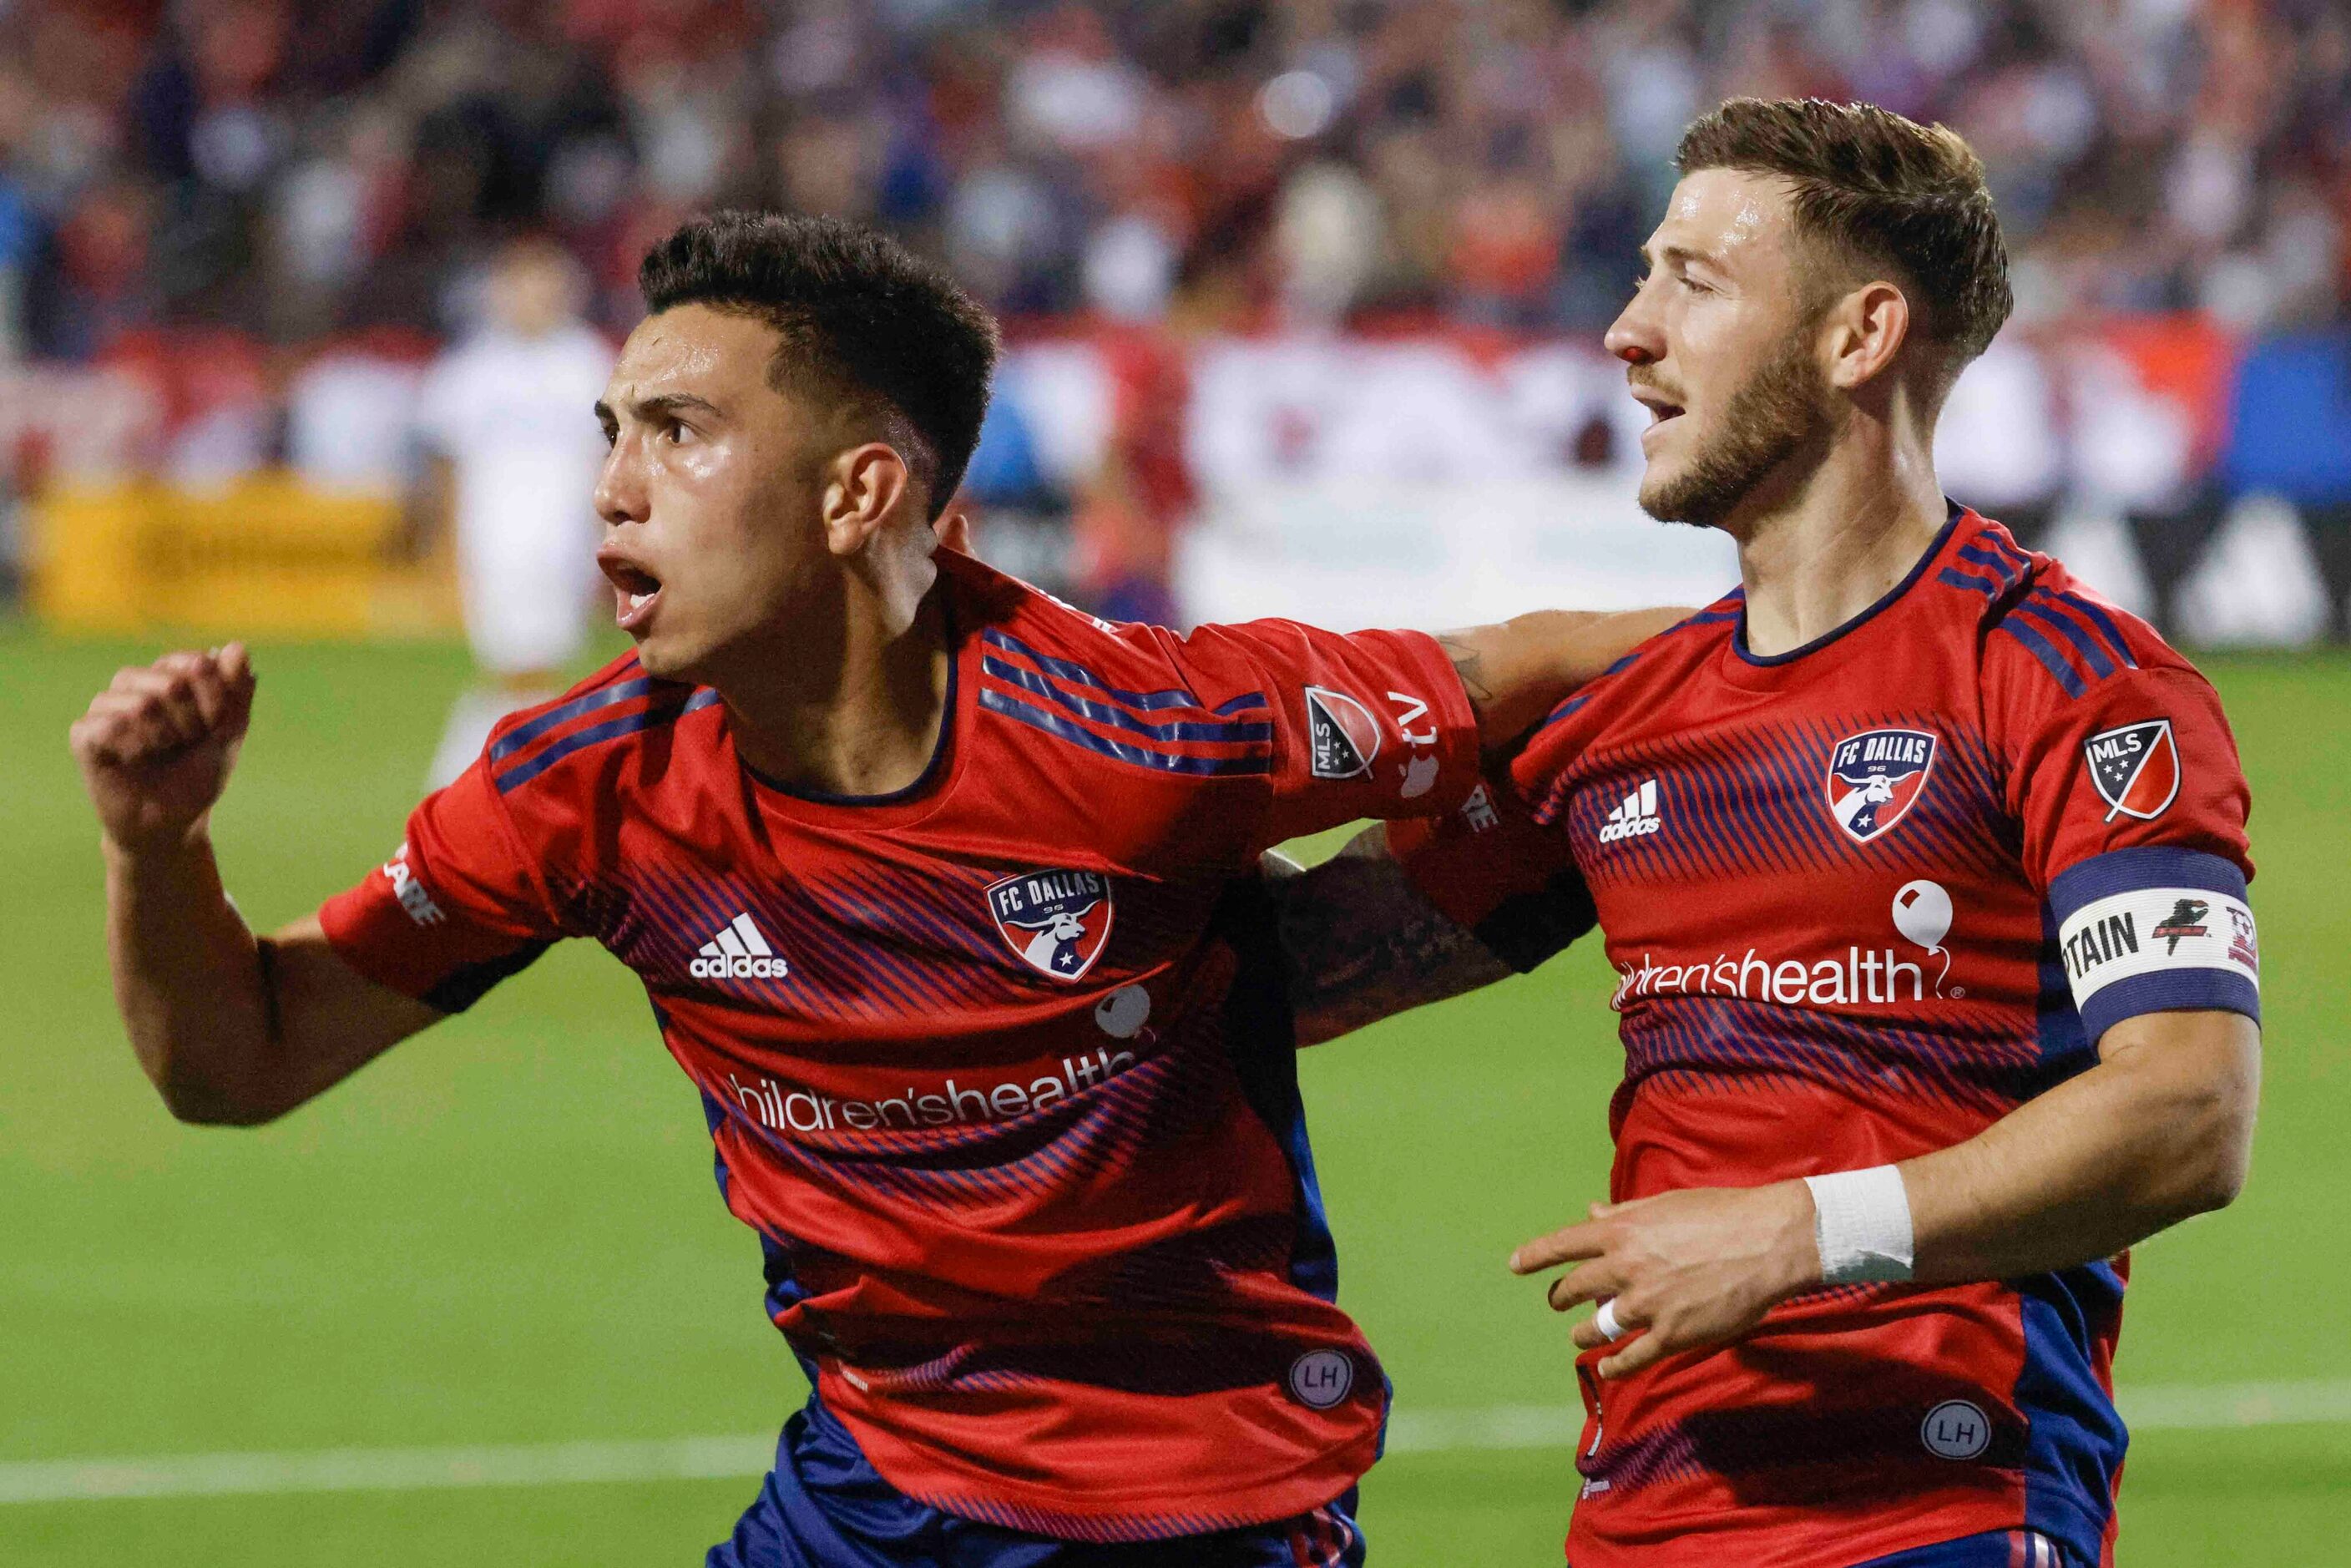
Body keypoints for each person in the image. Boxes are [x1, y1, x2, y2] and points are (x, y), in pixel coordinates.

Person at [68, 211, 1665, 1566]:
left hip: (1200, 1500)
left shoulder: (1141, 736)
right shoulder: (584, 790)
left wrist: (1891, 633)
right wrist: (157, 846)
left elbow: (1533, 663)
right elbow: (241, 1056)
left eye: (678, 432)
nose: (615, 486)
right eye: (610, 432)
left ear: (857, 494)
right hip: (866, 1490)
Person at [1268, 99, 2262, 1568]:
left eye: (1692, 280)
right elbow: (1269, 972)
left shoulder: (2067, 683)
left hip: (1942, 1504)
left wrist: (1804, 1231)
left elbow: (2189, 1110)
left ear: (1858, 336)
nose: (1625, 330)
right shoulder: (1631, 710)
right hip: (1646, 1512)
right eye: (1643, 274)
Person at [413, 235, 616, 787]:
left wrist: (613, 537)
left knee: (537, 664)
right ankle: (484, 776)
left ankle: (485, 777)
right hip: (496, 540)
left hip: (565, 541)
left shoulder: (587, 363)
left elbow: (610, 458)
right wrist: (444, 542)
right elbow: (445, 466)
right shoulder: (472, 369)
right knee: (521, 665)